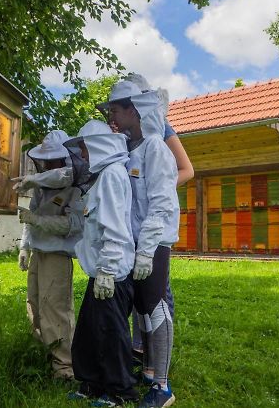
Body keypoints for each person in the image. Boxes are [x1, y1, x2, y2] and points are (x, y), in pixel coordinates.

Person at [105, 80, 179, 408]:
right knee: (141, 310)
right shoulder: (127, 150)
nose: (112, 116)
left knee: (154, 305)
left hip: (156, 239)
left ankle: (162, 388)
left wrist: (147, 249)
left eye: (117, 110)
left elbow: (161, 203)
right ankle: (148, 373)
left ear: (135, 111)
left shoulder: (155, 148)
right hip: (136, 240)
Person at [66, 120, 138, 407]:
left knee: (111, 332)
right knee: (90, 331)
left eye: (84, 149)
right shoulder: (104, 176)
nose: (82, 156)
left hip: (113, 273)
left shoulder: (111, 176)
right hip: (101, 270)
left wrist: (107, 269)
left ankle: (120, 392)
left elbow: (116, 228)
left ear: (97, 146)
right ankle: (93, 384)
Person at [17, 130, 84, 380]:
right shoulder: (41, 187)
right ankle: (45, 353)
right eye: (46, 160)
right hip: (38, 252)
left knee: (56, 309)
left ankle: (64, 367)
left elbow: (72, 225)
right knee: (34, 304)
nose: (48, 164)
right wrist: (24, 246)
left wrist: (37, 219)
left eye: (53, 159)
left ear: (66, 159)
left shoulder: (74, 186)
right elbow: (29, 218)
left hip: (58, 255)